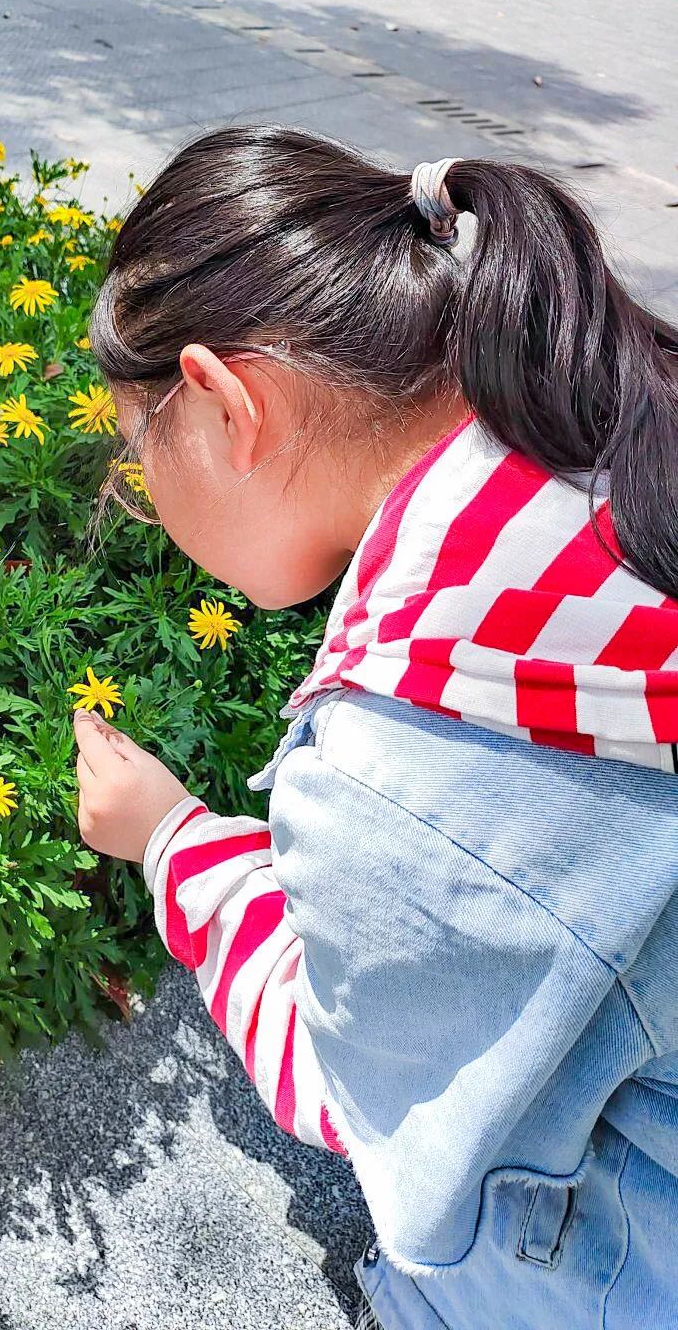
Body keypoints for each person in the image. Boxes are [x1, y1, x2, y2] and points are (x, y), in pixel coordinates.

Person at [70, 127, 678, 1330]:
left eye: (135, 456)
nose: (137, 498)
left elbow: (345, 1084)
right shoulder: (604, 421)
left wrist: (172, 842)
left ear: (226, 403)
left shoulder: (403, 769)